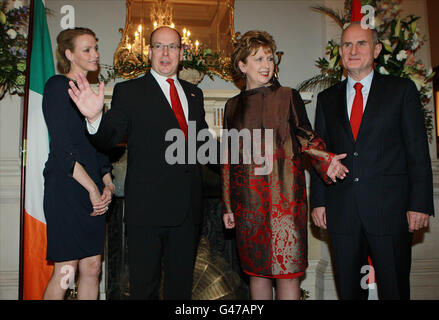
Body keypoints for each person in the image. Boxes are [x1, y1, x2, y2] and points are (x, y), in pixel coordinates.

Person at [67, 26, 209, 300]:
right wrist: (95, 119)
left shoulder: (194, 94)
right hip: (148, 211)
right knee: (144, 288)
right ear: (149, 52)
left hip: (189, 211)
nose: (165, 53)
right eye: (158, 46)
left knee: (181, 290)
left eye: (172, 47)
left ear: (182, 52)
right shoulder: (129, 91)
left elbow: (201, 145)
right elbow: (110, 138)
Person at [221, 30, 349, 300]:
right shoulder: (231, 107)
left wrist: (327, 161)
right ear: (242, 66)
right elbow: (228, 159)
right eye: (258, 59)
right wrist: (228, 205)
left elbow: (306, 136)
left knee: (288, 271)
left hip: (286, 200)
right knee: (257, 272)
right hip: (248, 203)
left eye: (269, 58)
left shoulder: (288, 96)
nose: (266, 65)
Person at [310, 22, 434, 300]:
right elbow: (319, 154)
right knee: (350, 293)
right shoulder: (326, 99)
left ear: (376, 50)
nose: (353, 50)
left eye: (361, 43)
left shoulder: (402, 90)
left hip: (390, 211)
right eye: (346, 45)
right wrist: (318, 201)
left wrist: (420, 203)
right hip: (341, 212)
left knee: (395, 290)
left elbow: (417, 151)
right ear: (340, 52)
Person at [42, 28, 114, 300]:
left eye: (95, 48)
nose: (95, 54)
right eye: (87, 49)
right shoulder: (56, 87)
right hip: (67, 187)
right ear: (69, 54)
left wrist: (106, 184)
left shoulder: (92, 95)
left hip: (94, 186)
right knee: (67, 270)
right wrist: (92, 190)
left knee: (93, 267)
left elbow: (99, 148)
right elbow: (63, 148)